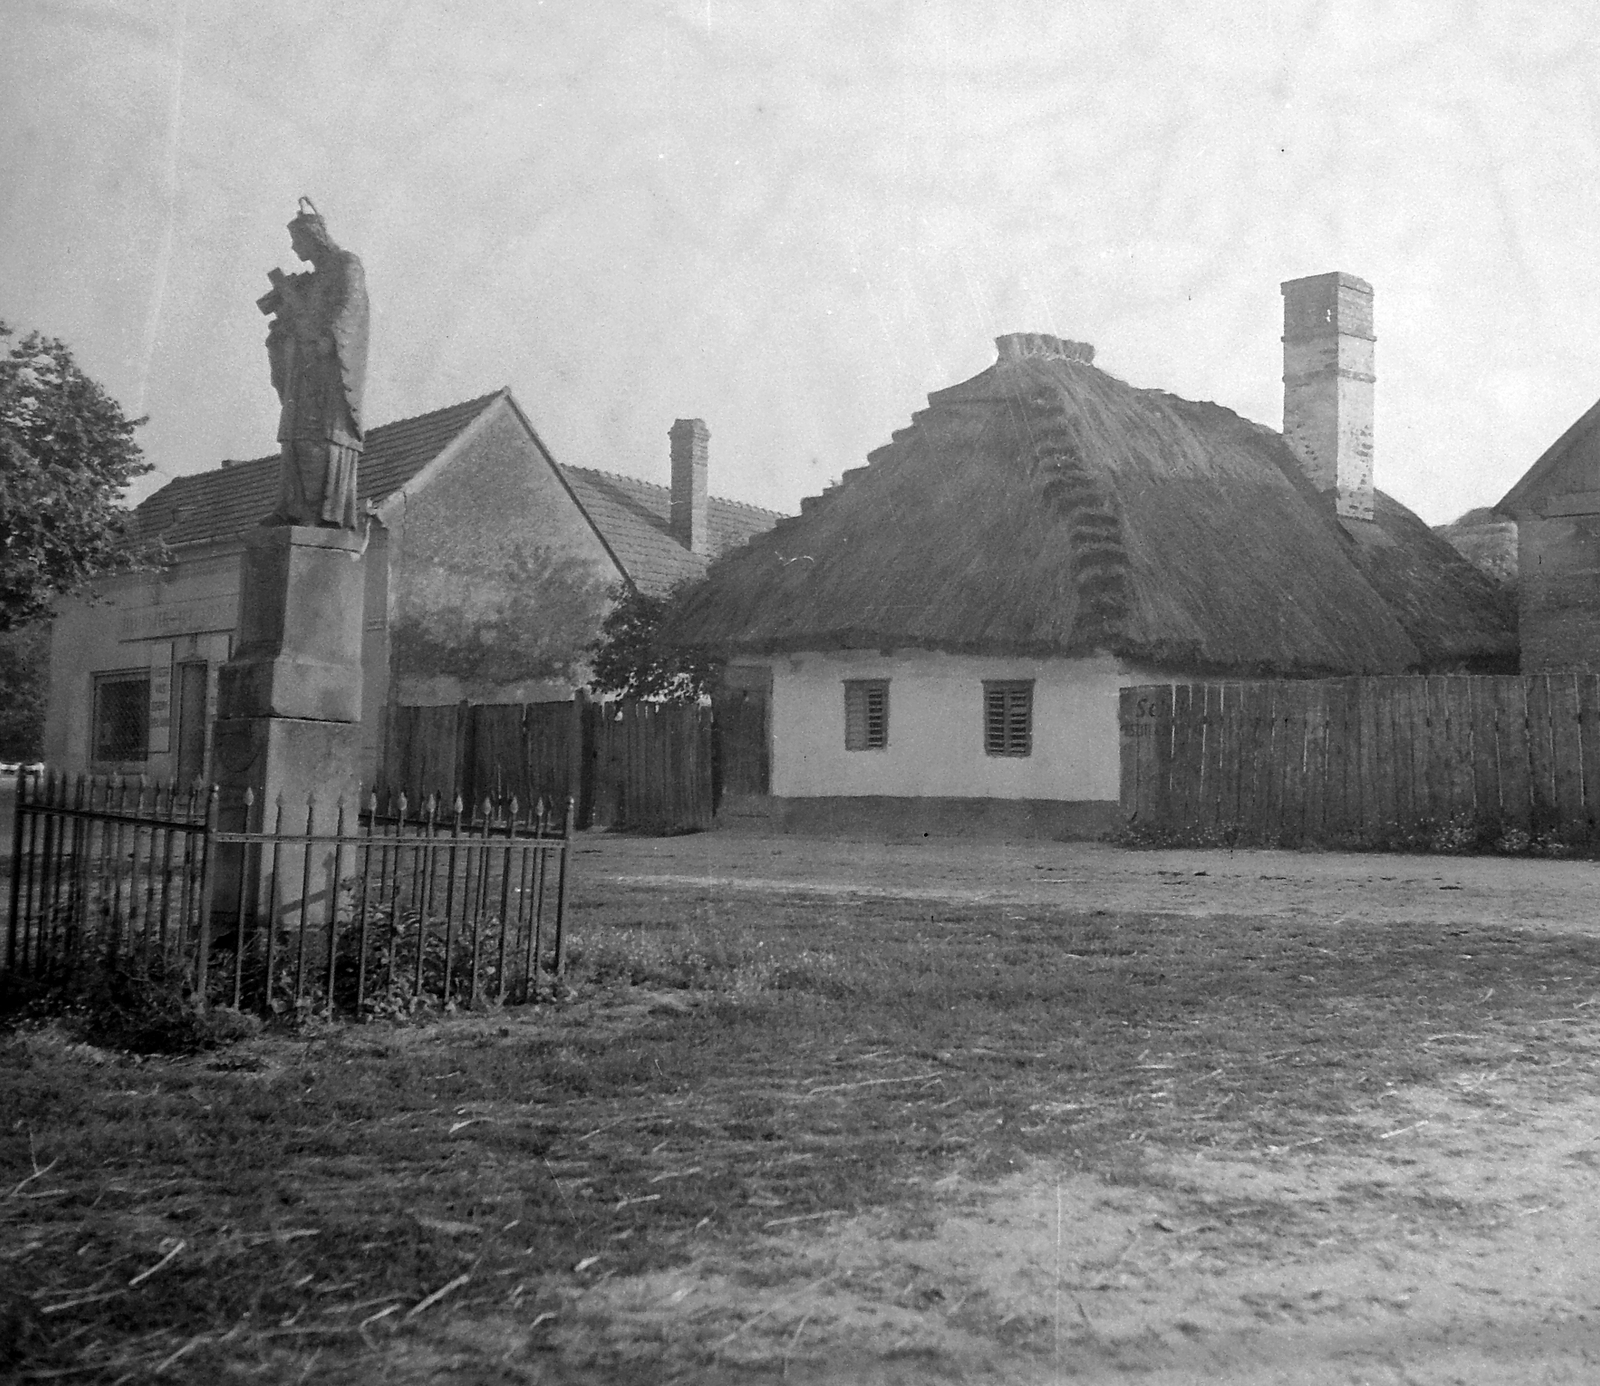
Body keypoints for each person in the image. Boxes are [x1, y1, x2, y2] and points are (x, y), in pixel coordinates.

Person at [260, 199, 369, 528]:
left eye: (297, 240)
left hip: (330, 366)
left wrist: (328, 339)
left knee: (323, 434)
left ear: (314, 237)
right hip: (302, 364)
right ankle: (291, 508)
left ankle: (326, 513)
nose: (294, 248)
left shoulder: (346, 264)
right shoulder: (309, 279)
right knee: (294, 432)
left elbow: (351, 307)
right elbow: (291, 317)